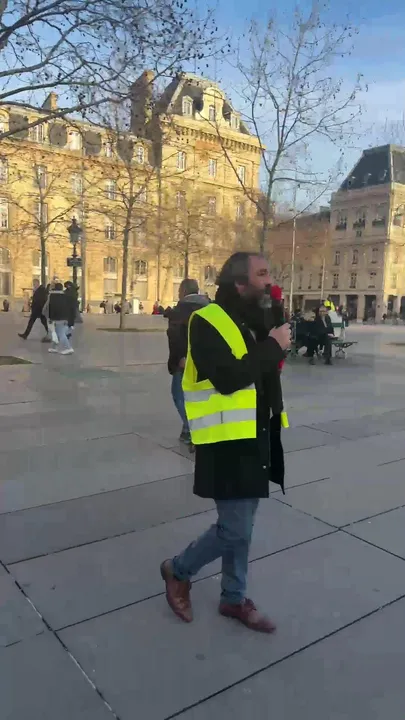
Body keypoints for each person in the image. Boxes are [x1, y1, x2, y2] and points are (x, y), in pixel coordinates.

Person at [161, 252, 291, 632]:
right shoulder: (206, 321)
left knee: (242, 527)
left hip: (255, 438)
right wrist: (273, 345)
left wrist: (275, 323)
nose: (269, 280)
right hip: (225, 444)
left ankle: (233, 597)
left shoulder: (254, 320)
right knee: (234, 530)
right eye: (262, 274)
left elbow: (267, 369)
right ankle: (178, 570)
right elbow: (229, 377)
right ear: (239, 283)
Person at [167, 278, 209, 444]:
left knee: (178, 395)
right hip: (204, 359)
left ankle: (193, 429)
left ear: (183, 291)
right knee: (198, 395)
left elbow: (175, 336)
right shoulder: (208, 307)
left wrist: (179, 357)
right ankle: (188, 429)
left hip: (185, 360)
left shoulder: (181, 309)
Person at [43, 282, 76, 355]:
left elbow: (50, 307)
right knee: (57, 333)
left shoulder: (52, 296)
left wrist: (49, 317)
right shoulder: (65, 295)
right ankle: (54, 348)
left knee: (60, 334)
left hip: (56, 318)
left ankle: (68, 348)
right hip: (64, 317)